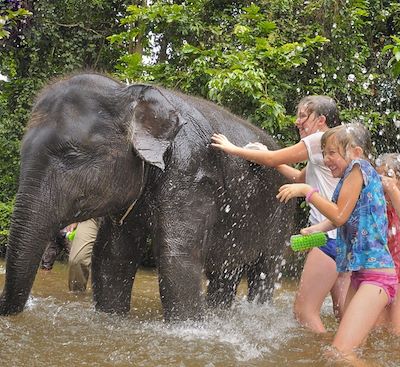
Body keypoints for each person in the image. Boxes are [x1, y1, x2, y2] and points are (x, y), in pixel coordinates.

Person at [211, 95, 349, 333]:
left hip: (329, 238)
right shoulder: (328, 151)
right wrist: (270, 158)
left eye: (303, 116)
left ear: (321, 120)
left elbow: (275, 157)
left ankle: (331, 354)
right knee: (341, 311)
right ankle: (356, 348)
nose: (297, 121)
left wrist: (232, 149)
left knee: (304, 312)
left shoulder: (318, 140)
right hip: (343, 236)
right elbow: (296, 176)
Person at [276, 123, 397, 360]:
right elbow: (343, 216)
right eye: (324, 153)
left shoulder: (358, 168)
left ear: (356, 152)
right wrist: (317, 228)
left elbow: (339, 215)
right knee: (358, 348)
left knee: (339, 355)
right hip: (360, 274)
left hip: (377, 276)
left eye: (332, 152)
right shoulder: (350, 177)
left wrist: (308, 191)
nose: (326, 158)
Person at [375, 153, 400, 334]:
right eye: (380, 176)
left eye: (388, 176)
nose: (383, 181)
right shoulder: (380, 204)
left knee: (395, 331)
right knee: (377, 329)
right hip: (383, 273)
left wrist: (392, 189)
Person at [68, 218, 99, 292]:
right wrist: (74, 218)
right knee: (77, 260)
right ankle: (76, 298)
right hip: (93, 215)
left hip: (125, 215)